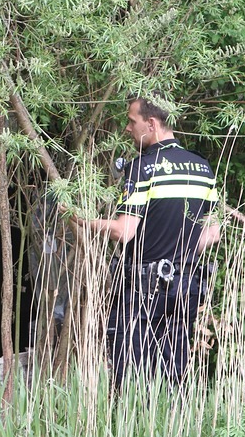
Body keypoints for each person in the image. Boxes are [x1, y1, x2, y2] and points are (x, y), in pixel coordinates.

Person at [77, 94, 220, 389]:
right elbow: (213, 232)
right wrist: (179, 255)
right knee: (172, 378)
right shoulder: (202, 168)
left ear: (151, 124)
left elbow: (123, 231)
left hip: (142, 291)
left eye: (132, 122)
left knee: (129, 380)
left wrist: (79, 220)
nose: (127, 129)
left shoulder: (141, 168)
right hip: (185, 286)